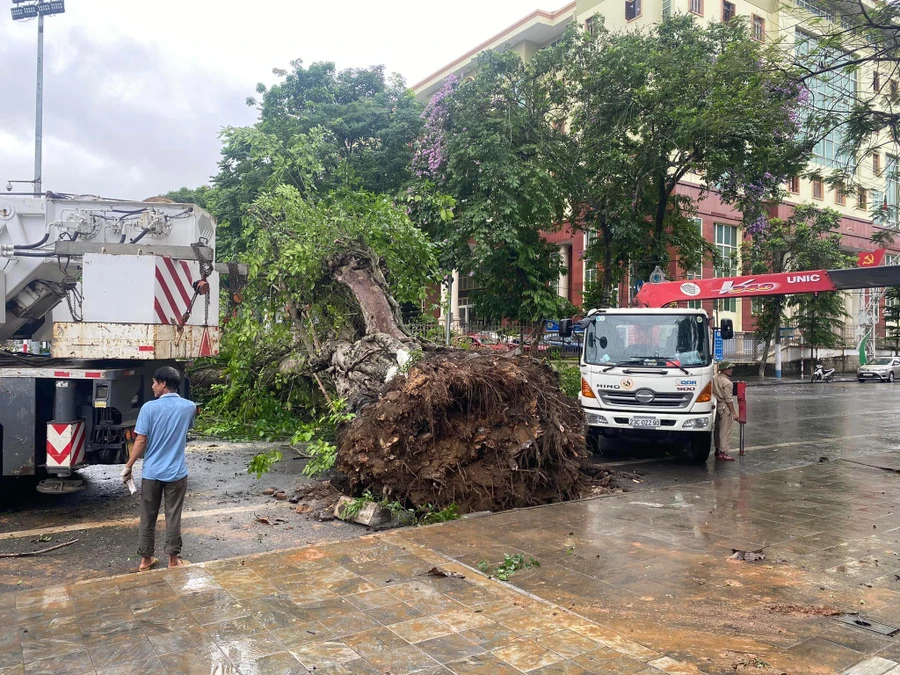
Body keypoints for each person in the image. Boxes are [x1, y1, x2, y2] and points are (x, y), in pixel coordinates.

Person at [121, 366, 196, 570]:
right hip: (177, 473)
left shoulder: (148, 408)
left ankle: (145, 560)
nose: (152, 386)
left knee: (148, 515)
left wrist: (129, 466)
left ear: (163, 384)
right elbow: (185, 431)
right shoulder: (189, 407)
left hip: (152, 473)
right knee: (173, 514)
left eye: (154, 382)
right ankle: (173, 560)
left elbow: (141, 440)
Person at [712, 361, 738, 461]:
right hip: (724, 407)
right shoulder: (727, 383)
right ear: (723, 370)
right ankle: (723, 453)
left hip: (716, 405)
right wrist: (734, 413)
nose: (731, 370)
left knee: (717, 430)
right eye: (729, 368)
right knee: (725, 431)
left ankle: (717, 449)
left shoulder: (715, 378)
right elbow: (729, 400)